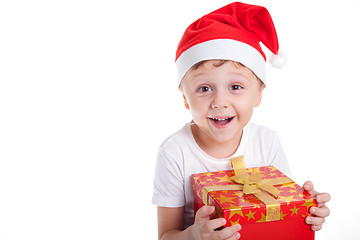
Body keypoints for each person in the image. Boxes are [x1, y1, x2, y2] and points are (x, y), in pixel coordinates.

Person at [152, 2, 331, 240]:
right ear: (186, 99)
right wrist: (193, 235)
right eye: (204, 88)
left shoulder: (266, 141)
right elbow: (166, 236)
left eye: (235, 87)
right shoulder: (175, 151)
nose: (219, 101)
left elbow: (280, 210)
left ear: (257, 95)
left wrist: (307, 210)